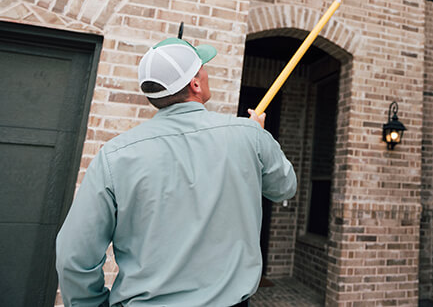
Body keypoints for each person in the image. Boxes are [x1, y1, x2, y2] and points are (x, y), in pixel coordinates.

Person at [56, 36, 297, 307]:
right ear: (195, 83)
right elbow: (284, 187)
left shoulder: (113, 156)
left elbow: (73, 256)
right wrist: (260, 139)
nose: (206, 74)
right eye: (202, 68)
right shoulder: (248, 135)